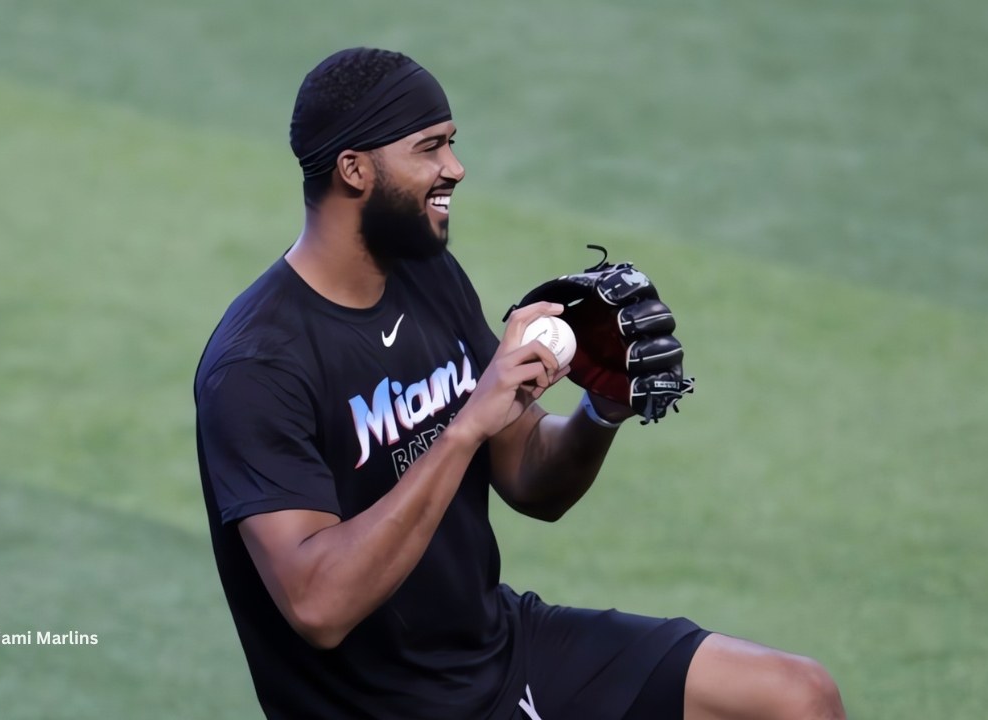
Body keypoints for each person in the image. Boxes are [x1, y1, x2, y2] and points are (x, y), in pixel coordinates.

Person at [194, 47, 846, 720]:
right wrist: (467, 424)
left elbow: (532, 481)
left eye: (452, 143)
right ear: (354, 169)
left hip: (498, 652)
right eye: (429, 148)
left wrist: (602, 410)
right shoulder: (257, 365)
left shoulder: (426, 274)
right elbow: (318, 605)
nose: (455, 168)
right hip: (387, 709)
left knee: (798, 698)